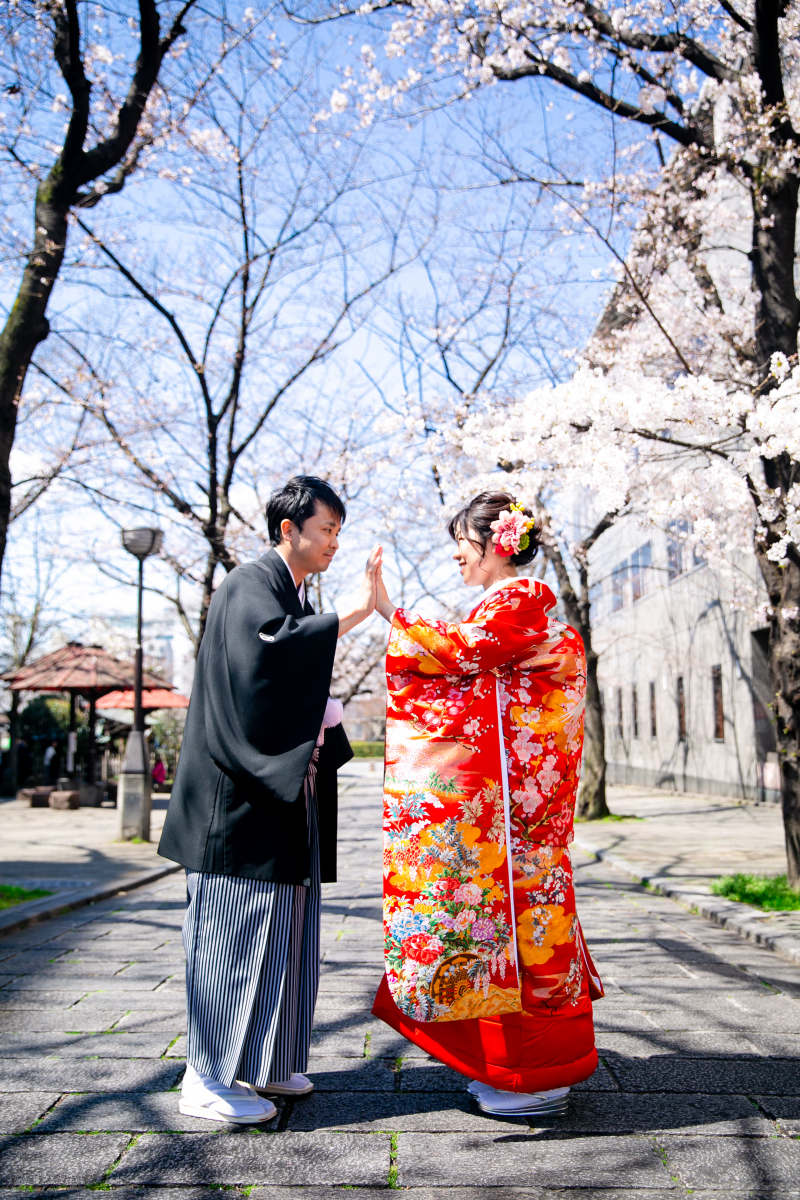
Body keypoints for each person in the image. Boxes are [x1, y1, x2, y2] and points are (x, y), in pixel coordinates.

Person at [371, 491, 603, 1118]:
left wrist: (391, 612)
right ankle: (519, 1069)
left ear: (497, 548)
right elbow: (475, 663)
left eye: (464, 546)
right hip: (523, 809)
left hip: (518, 815)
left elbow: (459, 653)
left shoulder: (521, 602)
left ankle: (534, 1076)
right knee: (524, 938)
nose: (455, 556)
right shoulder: (513, 610)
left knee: (523, 940)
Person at [158, 475, 381, 1125]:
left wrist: (325, 710)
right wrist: (357, 613)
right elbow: (268, 663)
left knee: (285, 934)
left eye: (339, 530)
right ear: (289, 529)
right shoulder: (248, 585)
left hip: (278, 801)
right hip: (238, 805)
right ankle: (206, 1076)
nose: (334, 541)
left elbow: (293, 667)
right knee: (233, 939)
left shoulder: (286, 591)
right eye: (327, 529)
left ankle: (265, 1062)